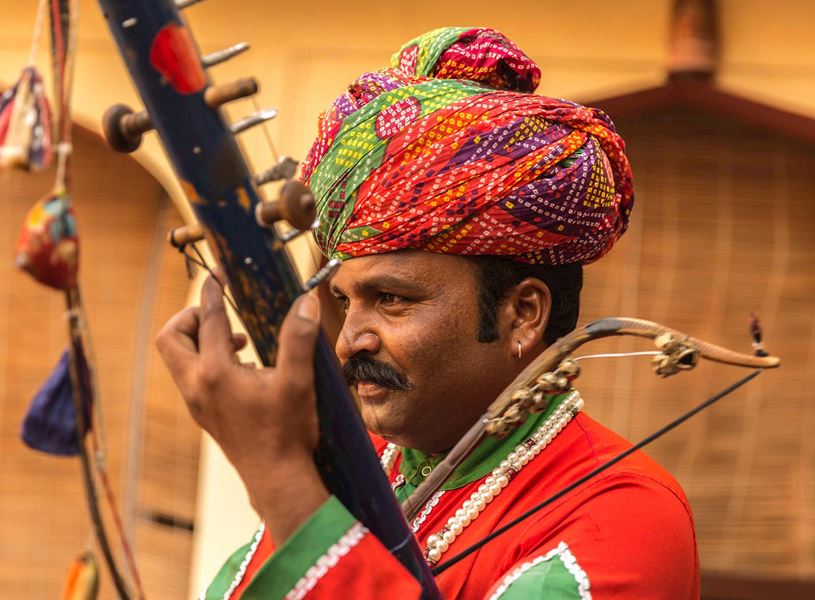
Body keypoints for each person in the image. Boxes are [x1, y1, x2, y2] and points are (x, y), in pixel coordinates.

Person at [157, 27, 699, 599]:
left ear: (523, 314)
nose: (349, 342)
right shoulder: (358, 460)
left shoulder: (625, 514)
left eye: (392, 299)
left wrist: (277, 475)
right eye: (345, 301)